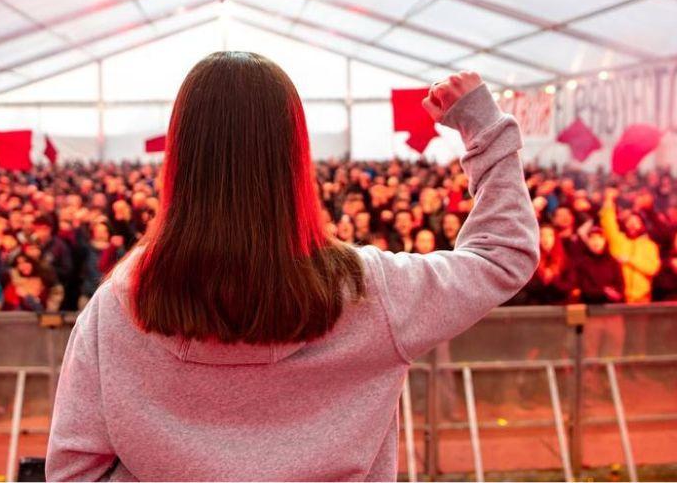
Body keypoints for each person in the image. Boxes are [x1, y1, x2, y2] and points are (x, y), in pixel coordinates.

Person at [45, 55, 538, 481]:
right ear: (295, 155)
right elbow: (502, 254)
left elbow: (72, 469)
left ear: (181, 157)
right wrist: (483, 127)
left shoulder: (119, 307)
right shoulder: (372, 292)